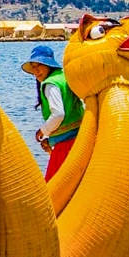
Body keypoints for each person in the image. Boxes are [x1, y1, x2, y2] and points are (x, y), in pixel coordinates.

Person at [21, 44, 84, 181]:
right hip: (81, 138)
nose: (36, 71)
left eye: (40, 65)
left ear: (49, 64)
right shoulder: (64, 77)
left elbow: (58, 114)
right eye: (33, 67)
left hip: (66, 145)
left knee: (53, 187)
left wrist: (43, 131)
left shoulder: (50, 83)